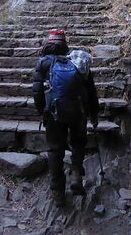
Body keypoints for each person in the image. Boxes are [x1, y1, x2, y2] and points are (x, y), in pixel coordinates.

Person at [32, 30, 99, 206]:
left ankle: (57, 193)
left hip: (54, 113)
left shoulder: (43, 63)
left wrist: (42, 111)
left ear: (48, 43)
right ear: (64, 44)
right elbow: (91, 91)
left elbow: (37, 90)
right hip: (79, 112)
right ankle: (76, 173)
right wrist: (94, 113)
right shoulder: (78, 61)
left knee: (55, 150)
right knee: (78, 142)